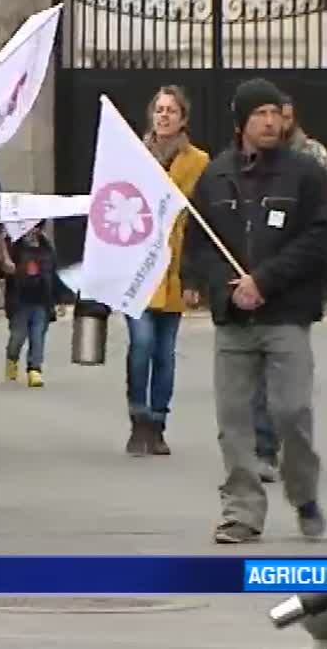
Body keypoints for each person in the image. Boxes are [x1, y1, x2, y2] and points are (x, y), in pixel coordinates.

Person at [181, 78, 327, 544]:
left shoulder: (306, 174)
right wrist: (202, 282)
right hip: (234, 319)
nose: (270, 121)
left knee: (292, 412)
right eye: (260, 114)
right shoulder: (217, 175)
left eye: (276, 113)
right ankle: (242, 511)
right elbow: (199, 239)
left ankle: (303, 492)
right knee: (234, 420)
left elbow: (318, 239)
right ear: (242, 122)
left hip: (285, 313)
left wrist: (264, 281)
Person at [123, 85, 209, 456]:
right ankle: (137, 419)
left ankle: (158, 422)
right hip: (137, 269)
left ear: (183, 118)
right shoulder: (132, 156)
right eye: (159, 109)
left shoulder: (198, 162)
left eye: (171, 111)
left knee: (165, 352)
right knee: (141, 345)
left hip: (175, 268)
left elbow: (202, 225)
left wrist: (195, 279)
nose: (164, 116)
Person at [0, 223, 63, 386]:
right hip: (19, 301)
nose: (33, 232)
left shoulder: (47, 249)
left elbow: (55, 276)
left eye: (36, 228)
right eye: (29, 228)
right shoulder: (14, 247)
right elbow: (1, 270)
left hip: (42, 301)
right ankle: (12, 359)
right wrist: (5, 264)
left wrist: (60, 300)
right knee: (17, 337)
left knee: (37, 336)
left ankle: (34, 370)